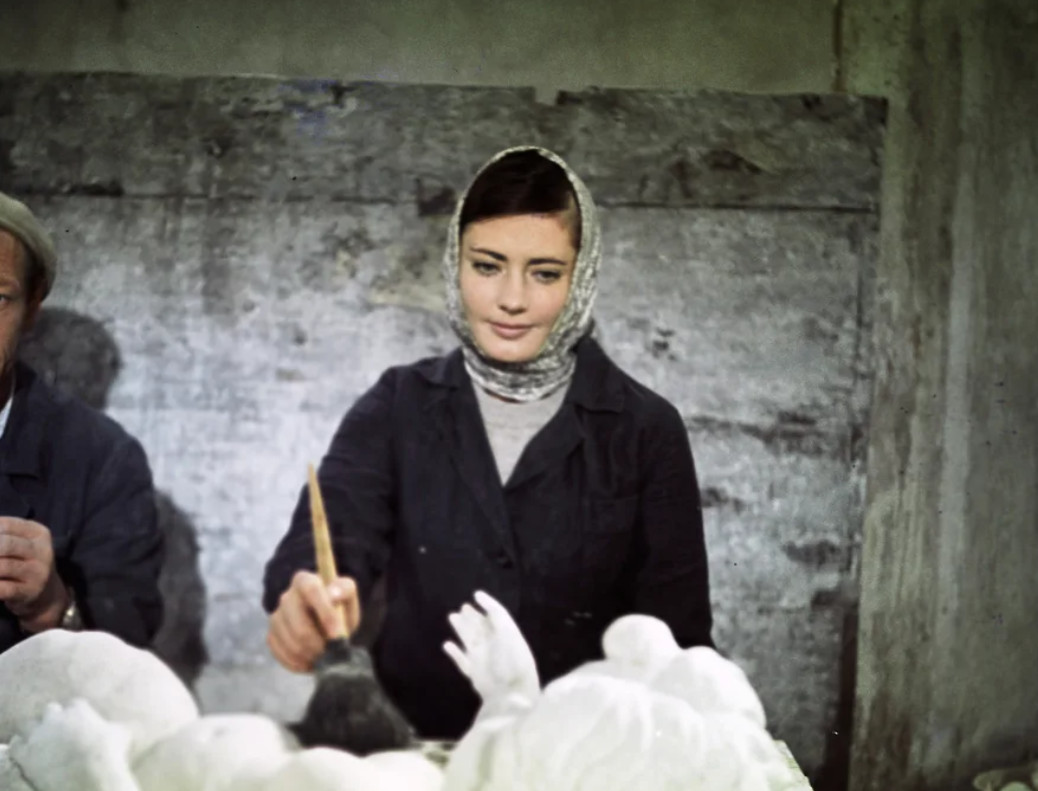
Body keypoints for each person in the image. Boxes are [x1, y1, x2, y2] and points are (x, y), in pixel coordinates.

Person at [263, 147, 713, 739]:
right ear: (456, 264)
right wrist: (309, 598)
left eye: (544, 273)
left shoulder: (644, 430)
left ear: (582, 277)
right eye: (487, 266)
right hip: (415, 753)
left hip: (576, 757)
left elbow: (678, 645)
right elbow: (327, 543)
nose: (512, 299)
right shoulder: (398, 404)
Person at [0, 191, 164, 654]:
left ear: (32, 308)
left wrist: (52, 608)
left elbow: (128, 649)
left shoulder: (103, 458)